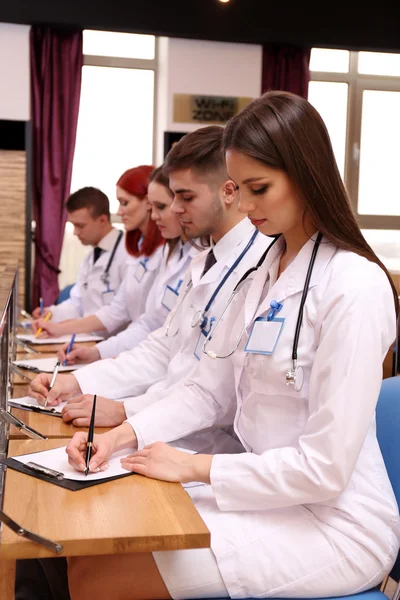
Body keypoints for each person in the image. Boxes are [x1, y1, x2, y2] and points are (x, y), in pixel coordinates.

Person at [65, 91, 399, 600]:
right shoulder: (260, 273)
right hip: (262, 491)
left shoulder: (354, 286)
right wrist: (121, 436)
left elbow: (326, 469)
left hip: (333, 522)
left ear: (306, 174)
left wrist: (195, 466)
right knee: (93, 543)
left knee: (104, 577)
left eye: (258, 188)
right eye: (238, 189)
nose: (244, 207)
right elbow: (208, 390)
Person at [29, 127, 272, 448]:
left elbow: (218, 394)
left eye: (186, 197)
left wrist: (125, 411)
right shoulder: (205, 260)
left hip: (207, 442)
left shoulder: (258, 267)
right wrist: (78, 381)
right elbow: (163, 348)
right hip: (166, 422)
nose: (173, 210)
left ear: (228, 192)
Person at [31, 165, 165, 347]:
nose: (119, 212)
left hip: (122, 344)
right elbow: (110, 308)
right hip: (114, 345)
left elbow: (132, 319)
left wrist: (66, 330)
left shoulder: (131, 254)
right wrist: (52, 316)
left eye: (124, 203)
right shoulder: (128, 251)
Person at [31, 187, 128, 321]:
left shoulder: (128, 254)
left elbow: (122, 314)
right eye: (73, 225)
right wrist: (51, 313)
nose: (75, 232)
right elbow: (78, 303)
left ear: (102, 220)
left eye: (80, 226)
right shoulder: (92, 255)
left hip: (113, 339)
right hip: (89, 336)